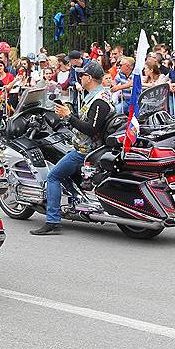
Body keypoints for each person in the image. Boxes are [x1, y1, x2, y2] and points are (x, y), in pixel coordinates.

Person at [31, 62, 113, 235]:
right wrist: (70, 116)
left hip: (87, 150)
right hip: (86, 146)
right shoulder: (96, 96)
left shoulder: (99, 101)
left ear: (89, 78)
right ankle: (74, 202)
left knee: (53, 176)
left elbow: (91, 129)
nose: (80, 78)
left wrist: (68, 116)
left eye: (82, 75)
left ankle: (52, 221)